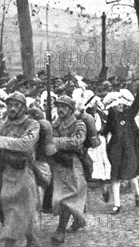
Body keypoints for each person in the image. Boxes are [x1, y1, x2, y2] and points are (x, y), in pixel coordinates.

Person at [0, 91, 40, 247]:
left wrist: (1, 140)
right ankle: (22, 238)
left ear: (24, 108)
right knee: (9, 208)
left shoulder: (32, 124)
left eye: (16, 105)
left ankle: (24, 238)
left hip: (24, 171)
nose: (12, 108)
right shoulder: (3, 124)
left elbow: (26, 144)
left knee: (23, 208)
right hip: (6, 172)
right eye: (9, 104)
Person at [101, 84, 139, 215]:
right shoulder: (111, 117)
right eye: (117, 104)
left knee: (131, 174)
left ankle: (138, 193)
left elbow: (137, 104)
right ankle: (117, 205)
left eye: (121, 104)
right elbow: (105, 131)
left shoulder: (129, 114)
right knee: (115, 176)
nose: (120, 106)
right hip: (115, 149)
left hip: (129, 149)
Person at [50, 95, 88, 243]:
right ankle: (78, 218)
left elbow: (77, 142)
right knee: (60, 196)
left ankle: (61, 229)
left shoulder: (79, 125)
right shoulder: (53, 124)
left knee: (67, 196)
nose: (60, 109)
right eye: (58, 106)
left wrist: (55, 142)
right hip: (56, 163)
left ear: (71, 110)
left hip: (72, 163)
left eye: (64, 107)